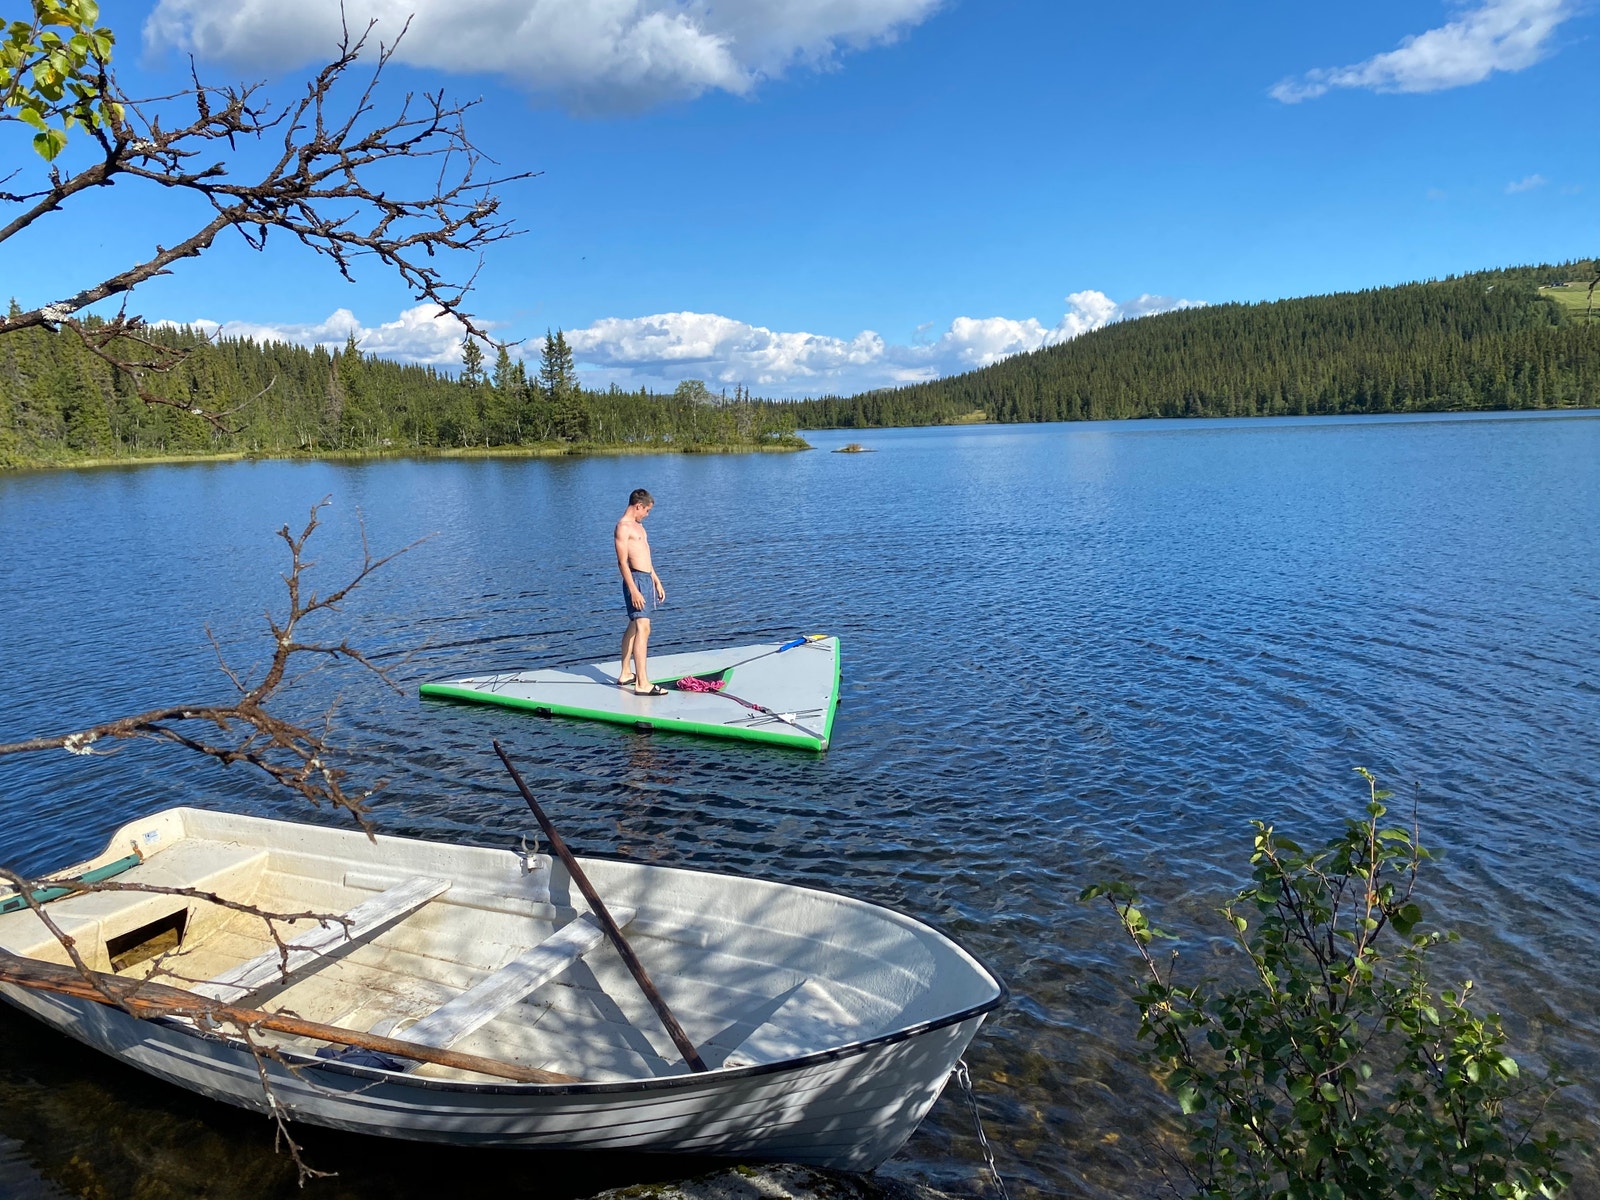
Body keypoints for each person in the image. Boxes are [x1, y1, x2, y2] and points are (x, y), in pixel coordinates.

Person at [614, 488, 668, 696]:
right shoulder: (623, 527)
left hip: (645, 578)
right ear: (638, 506)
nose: (647, 514)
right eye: (646, 510)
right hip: (634, 579)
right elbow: (622, 562)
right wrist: (634, 590)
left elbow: (645, 555)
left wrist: (656, 580)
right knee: (643, 629)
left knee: (635, 627)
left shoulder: (639, 527)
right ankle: (642, 684)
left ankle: (626, 673)